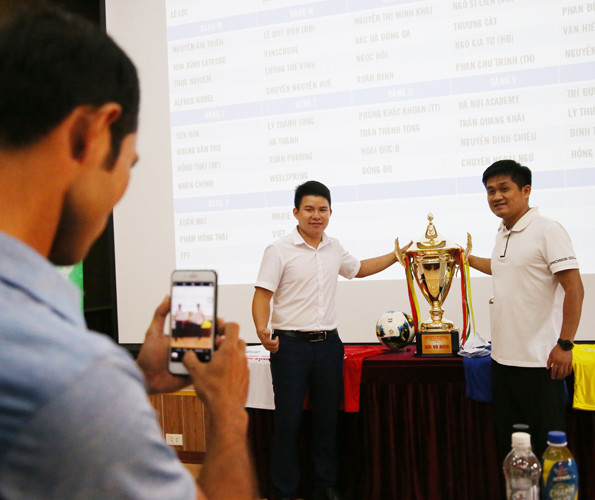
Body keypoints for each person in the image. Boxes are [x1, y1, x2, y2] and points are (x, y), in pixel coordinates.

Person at [0, 7, 255, 499]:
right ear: (90, 135)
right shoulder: (74, 375)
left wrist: (134, 380)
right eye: (129, 164)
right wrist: (227, 409)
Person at [252, 180, 410, 500]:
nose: (316, 215)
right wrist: (261, 329)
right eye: (309, 209)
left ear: (330, 213)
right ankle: (283, 491)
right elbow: (262, 294)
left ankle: (325, 487)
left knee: (327, 422)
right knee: (288, 422)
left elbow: (359, 269)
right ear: (295, 212)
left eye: (322, 209)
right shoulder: (278, 250)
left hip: (328, 346)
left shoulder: (334, 247)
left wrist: (395, 257)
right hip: (290, 347)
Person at [468, 160, 584, 460]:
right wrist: (465, 259)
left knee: (547, 450)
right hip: (502, 361)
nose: (496, 196)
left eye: (504, 188)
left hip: (540, 363)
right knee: (513, 452)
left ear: (526, 190)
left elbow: (574, 289)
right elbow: (503, 267)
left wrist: (565, 344)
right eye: (490, 191)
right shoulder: (503, 232)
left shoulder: (548, 231)